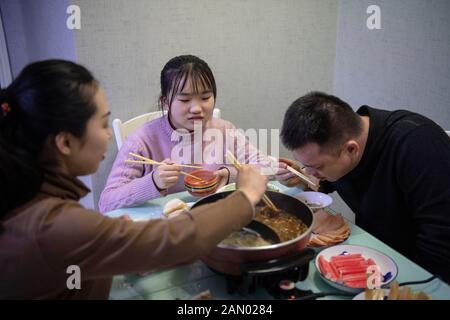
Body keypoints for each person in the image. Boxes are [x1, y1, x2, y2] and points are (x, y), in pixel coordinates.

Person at [0, 59, 268, 299]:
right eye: (103, 124)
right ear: (66, 142)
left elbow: (258, 161)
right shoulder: (54, 225)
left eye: (205, 97)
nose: (108, 136)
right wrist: (244, 198)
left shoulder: (30, 195)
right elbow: (174, 239)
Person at [280, 91, 450, 283]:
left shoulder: (418, 145)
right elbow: (331, 179)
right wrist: (303, 179)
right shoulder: (347, 140)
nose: (309, 171)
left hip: (418, 270)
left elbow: (441, 239)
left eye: (316, 167)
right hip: (375, 252)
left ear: (351, 149)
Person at [99, 54, 289, 212]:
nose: (197, 108)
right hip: (166, 229)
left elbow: (265, 166)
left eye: (205, 97)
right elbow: (106, 202)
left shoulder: (224, 130)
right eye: (185, 99)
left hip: (214, 220)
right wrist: (154, 182)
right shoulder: (141, 141)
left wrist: (228, 174)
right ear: (165, 102)